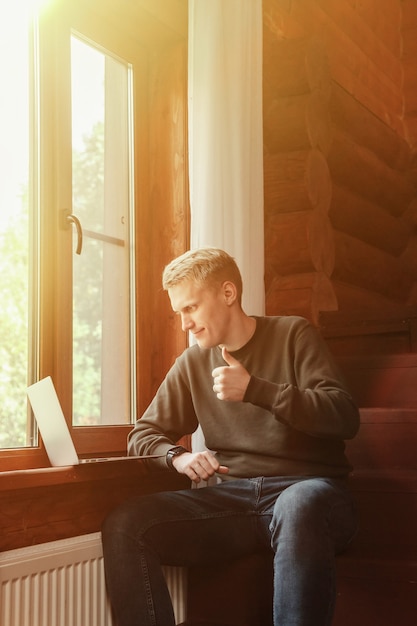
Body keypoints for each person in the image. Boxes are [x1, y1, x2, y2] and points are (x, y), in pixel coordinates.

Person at [102, 247, 360, 626]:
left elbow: (344, 416)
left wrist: (256, 389)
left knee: (298, 504)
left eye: (190, 308)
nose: (185, 323)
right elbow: (143, 433)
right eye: (179, 313)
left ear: (227, 294)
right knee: (127, 523)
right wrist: (179, 457)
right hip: (234, 501)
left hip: (311, 493)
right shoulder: (192, 363)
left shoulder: (293, 334)